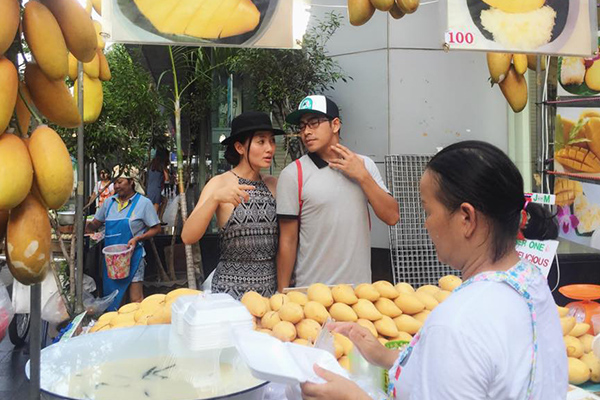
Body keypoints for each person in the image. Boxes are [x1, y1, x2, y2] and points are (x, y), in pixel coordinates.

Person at [300, 141, 567, 400]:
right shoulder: (530, 280)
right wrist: (383, 355)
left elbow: (462, 350)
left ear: (466, 218)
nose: (426, 225)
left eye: (428, 211)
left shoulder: (457, 324)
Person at [276, 95, 399, 291]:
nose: (306, 131)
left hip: (359, 293)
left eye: (314, 123)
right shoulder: (293, 174)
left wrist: (362, 176)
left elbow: (392, 216)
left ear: (335, 125)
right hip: (312, 293)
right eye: (302, 126)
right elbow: (288, 241)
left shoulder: (364, 165)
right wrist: (282, 295)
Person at [181, 111, 284, 299]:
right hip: (229, 295)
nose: (269, 148)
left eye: (271, 141)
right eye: (261, 141)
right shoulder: (219, 183)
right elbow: (188, 236)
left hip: (269, 295)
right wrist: (215, 199)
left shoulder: (274, 185)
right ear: (239, 147)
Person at [86, 171, 161, 310]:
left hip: (133, 257)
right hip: (112, 261)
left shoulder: (144, 203)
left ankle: (137, 328)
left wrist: (138, 238)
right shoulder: (109, 202)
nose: (116, 186)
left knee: (136, 299)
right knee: (113, 301)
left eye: (120, 182)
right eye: (114, 182)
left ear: (131, 182)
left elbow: (156, 228)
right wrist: (83, 225)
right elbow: (96, 224)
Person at [147, 149, 170, 215]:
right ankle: (156, 222)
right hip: (157, 189)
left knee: (164, 200)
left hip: (150, 188)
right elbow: (167, 179)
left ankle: (159, 220)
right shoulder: (162, 166)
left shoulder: (152, 164)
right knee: (155, 209)